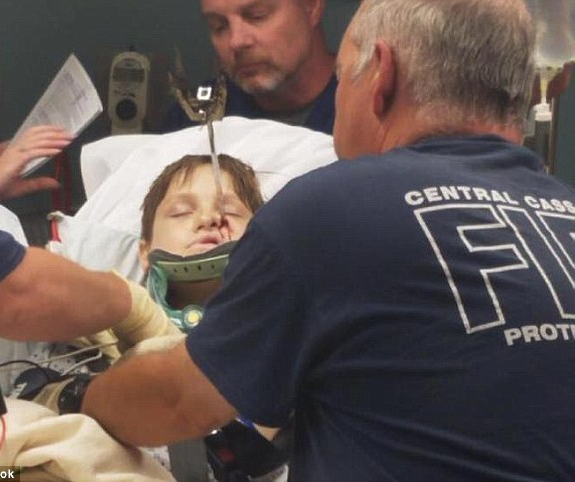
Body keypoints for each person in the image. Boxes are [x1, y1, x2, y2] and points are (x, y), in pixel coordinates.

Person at [82, 0, 575, 480]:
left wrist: (74, 398)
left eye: (342, 77)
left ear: (381, 75)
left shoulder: (333, 209)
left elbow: (176, 404)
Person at [0, 125, 179, 464]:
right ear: (145, 248)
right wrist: (133, 305)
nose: (210, 222)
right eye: (182, 212)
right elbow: (19, 294)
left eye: (229, 214)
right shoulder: (54, 355)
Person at [160, 0, 336, 135]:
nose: (236, 41)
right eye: (219, 26)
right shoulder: (196, 117)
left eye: (257, 16)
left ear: (311, 6)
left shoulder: (351, 110)